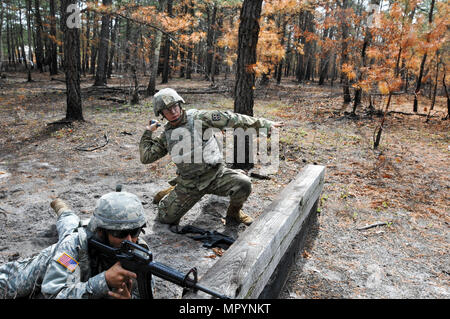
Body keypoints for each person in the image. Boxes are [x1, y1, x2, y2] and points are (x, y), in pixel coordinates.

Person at [140, 88, 284, 227]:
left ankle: (234, 213)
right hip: (190, 184)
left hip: (216, 175)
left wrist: (264, 124)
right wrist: (148, 132)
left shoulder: (200, 118)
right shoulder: (166, 135)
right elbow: (146, 157)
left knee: (244, 183)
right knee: (165, 218)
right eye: (167, 110)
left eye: (174, 106)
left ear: (180, 104)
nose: (173, 112)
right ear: (161, 114)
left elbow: (232, 119)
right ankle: (173, 191)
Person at [0, 190, 152, 299]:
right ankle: (63, 210)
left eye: (135, 231)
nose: (130, 240)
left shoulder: (140, 253)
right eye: (119, 234)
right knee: (6, 289)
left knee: (71, 226)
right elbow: (53, 294)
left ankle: (65, 211)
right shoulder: (72, 247)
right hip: (49, 262)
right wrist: (103, 281)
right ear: (100, 231)